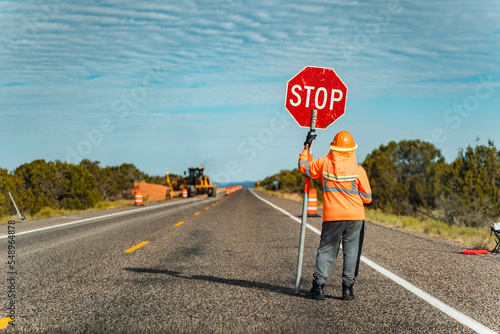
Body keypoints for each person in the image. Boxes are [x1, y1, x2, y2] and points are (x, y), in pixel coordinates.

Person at [298, 130, 372, 300]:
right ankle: (347, 290)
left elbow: (304, 167)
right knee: (352, 252)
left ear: (333, 147)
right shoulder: (358, 170)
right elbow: (368, 198)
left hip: (332, 217)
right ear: (351, 149)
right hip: (355, 217)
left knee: (327, 250)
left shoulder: (324, 164)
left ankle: (318, 287)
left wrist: (306, 146)